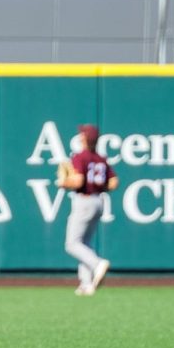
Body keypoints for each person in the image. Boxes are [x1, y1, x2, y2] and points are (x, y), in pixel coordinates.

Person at [56, 124, 118, 296]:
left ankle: (97, 264)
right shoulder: (101, 158)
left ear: (84, 138)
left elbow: (77, 182)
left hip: (84, 200)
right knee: (85, 243)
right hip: (99, 201)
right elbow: (114, 183)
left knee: (72, 244)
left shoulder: (80, 157)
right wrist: (98, 185)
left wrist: (63, 182)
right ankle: (86, 283)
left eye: (81, 134)